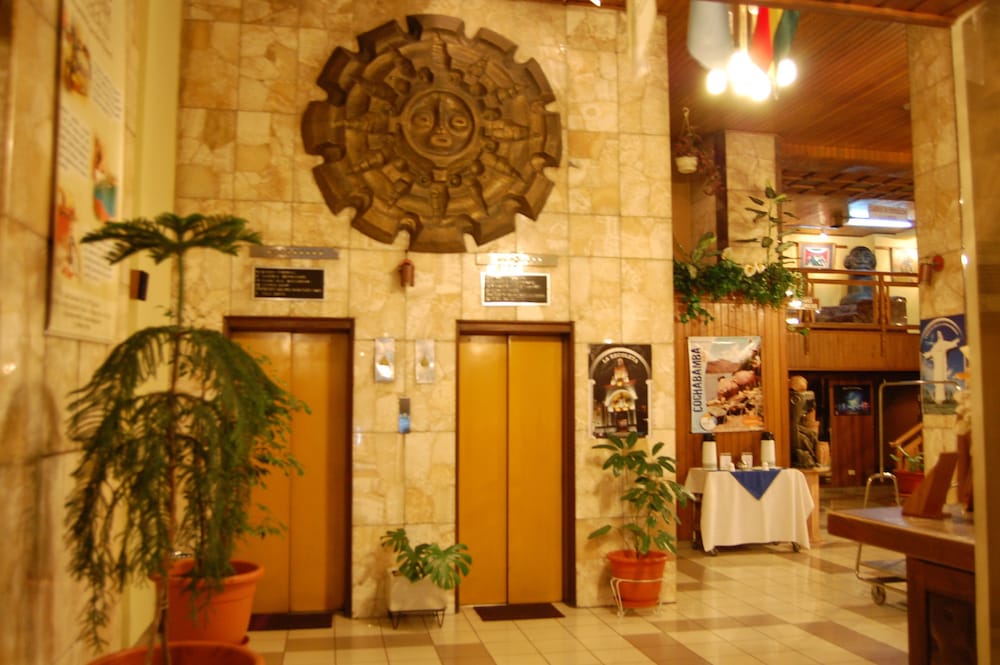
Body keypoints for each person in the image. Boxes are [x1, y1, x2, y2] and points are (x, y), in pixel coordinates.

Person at [789, 375, 820, 468]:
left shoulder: (807, 399)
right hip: (790, 426)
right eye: (799, 391)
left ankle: (813, 458)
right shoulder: (789, 397)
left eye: (804, 391)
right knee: (802, 439)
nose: (802, 394)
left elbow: (811, 421)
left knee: (811, 435)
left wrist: (811, 409)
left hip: (801, 425)